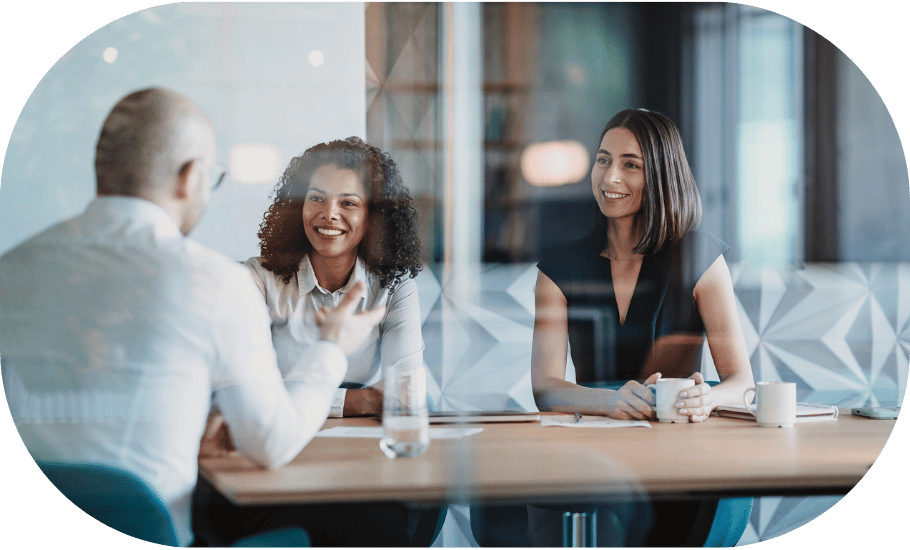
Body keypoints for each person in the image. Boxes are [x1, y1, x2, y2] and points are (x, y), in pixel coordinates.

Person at [0, 87, 386, 547]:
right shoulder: (215, 282)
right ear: (191, 177)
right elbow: (271, 443)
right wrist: (331, 348)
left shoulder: (11, 269)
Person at [529, 108, 755, 546]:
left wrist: (707, 397)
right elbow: (546, 389)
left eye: (631, 165)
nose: (610, 177)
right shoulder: (558, 268)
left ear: (661, 177)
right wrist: (609, 401)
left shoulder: (701, 260)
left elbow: (741, 381)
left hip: (684, 457)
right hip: (595, 456)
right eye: (602, 160)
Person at [243, 136, 424, 417]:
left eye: (348, 203)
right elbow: (249, 392)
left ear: (373, 216)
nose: (328, 214)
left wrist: (296, 397)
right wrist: (365, 401)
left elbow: (405, 390)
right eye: (316, 198)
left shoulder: (395, 285)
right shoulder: (257, 279)